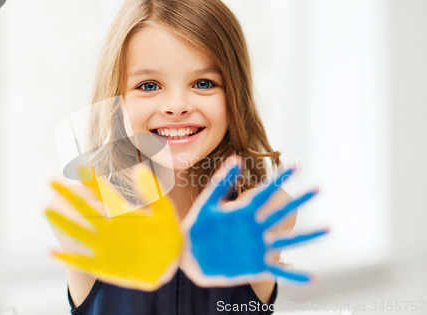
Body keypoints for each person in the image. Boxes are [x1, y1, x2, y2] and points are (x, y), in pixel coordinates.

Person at [47, 0, 298, 313]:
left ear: (235, 94)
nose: (176, 105)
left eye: (203, 83)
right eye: (149, 85)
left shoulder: (262, 214)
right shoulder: (88, 213)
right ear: (116, 99)